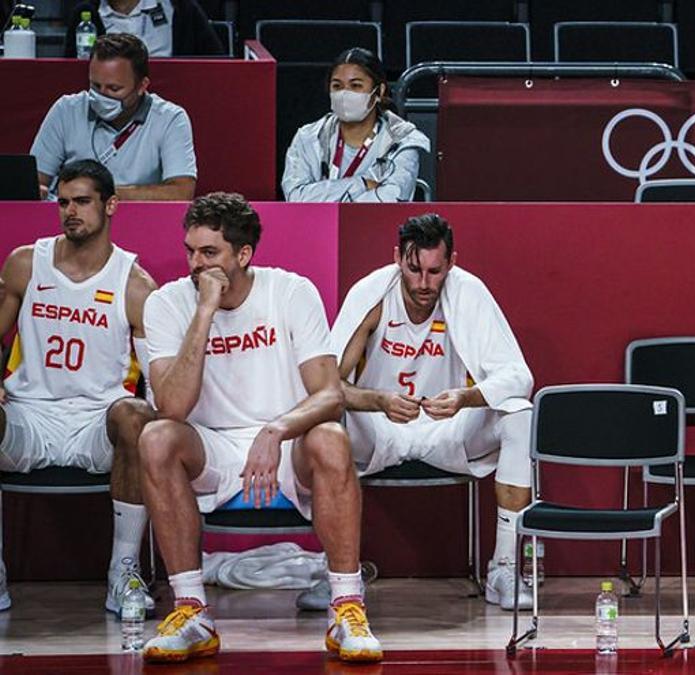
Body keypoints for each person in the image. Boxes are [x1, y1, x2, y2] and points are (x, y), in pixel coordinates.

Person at [137, 192, 382, 663]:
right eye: (190, 251)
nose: (195, 264)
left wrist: (275, 430)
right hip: (213, 450)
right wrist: (205, 312)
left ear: (243, 255)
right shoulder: (168, 304)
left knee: (331, 437)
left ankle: (346, 608)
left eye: (209, 253)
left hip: (285, 446)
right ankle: (192, 612)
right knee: (156, 436)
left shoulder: (290, 292)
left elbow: (329, 393)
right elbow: (172, 405)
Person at [329, 213, 535, 610]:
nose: (424, 283)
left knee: (520, 414)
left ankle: (505, 569)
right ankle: (339, 577)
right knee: (324, 421)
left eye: (435, 271)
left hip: (449, 426)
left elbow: (518, 376)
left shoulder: (469, 292)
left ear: (451, 263)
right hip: (381, 427)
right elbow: (327, 385)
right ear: (397, 259)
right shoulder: (371, 293)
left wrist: (465, 397)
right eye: (414, 269)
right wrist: (378, 401)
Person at [0, 159, 157, 615]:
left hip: (96, 423)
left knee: (137, 416)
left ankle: (122, 574)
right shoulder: (26, 264)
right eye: (63, 202)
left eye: (83, 202)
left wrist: (155, 415)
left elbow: (157, 384)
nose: (70, 211)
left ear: (110, 206)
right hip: (30, 417)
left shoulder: (135, 284)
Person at [31, 33, 197, 202]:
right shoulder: (66, 110)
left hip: (138, 220)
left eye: (114, 88)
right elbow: (35, 181)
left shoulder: (170, 119)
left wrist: (102, 195)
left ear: (142, 86)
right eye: (95, 86)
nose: (101, 96)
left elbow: (181, 192)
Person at [282, 48, 429, 203]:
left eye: (356, 86)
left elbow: (390, 200)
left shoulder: (402, 141)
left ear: (379, 92)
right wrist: (361, 184)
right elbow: (296, 197)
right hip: (316, 225)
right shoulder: (308, 137)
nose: (345, 94)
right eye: (337, 86)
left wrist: (324, 195)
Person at [64, 1, 223, 58]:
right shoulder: (86, 14)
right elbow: (69, 73)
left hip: (175, 101)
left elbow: (216, 64)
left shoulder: (181, 8)